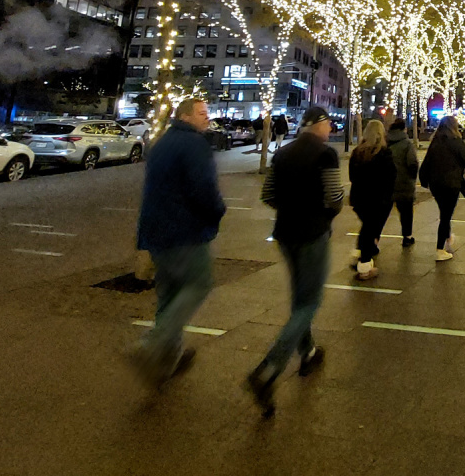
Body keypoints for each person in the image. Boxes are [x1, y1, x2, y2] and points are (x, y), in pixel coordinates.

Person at [246, 106, 343, 417]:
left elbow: (268, 194)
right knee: (309, 303)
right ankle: (268, 369)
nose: (330, 129)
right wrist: (322, 214)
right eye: (328, 124)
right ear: (320, 125)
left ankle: (308, 351)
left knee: (299, 298)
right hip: (313, 234)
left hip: (285, 233)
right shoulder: (325, 154)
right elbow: (335, 197)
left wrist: (289, 208)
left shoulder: (283, 153)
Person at [131, 97, 226, 388]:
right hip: (184, 232)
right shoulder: (195, 145)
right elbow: (204, 189)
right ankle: (151, 346)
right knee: (198, 283)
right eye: (202, 113)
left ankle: (164, 363)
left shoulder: (161, 144)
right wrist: (217, 211)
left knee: (169, 297)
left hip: (156, 233)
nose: (207, 118)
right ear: (185, 116)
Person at [419, 114, 465, 261]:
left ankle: (447, 237)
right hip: (451, 184)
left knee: (444, 212)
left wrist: (424, 181)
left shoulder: (435, 142)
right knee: (446, 216)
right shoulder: (456, 142)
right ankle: (440, 249)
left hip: (436, 184)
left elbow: (426, 164)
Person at [347, 119, 396, 280]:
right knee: (370, 230)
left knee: (367, 228)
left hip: (359, 198)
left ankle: (360, 254)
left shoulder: (357, 153)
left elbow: (352, 176)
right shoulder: (384, 153)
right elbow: (390, 177)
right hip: (378, 200)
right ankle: (364, 265)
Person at [385, 117, 419, 247]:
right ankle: (407, 236)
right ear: (404, 129)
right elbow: (412, 163)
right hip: (404, 184)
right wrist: (411, 178)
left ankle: (374, 240)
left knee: (382, 215)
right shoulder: (406, 144)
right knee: (406, 212)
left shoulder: (384, 141)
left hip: (386, 184)